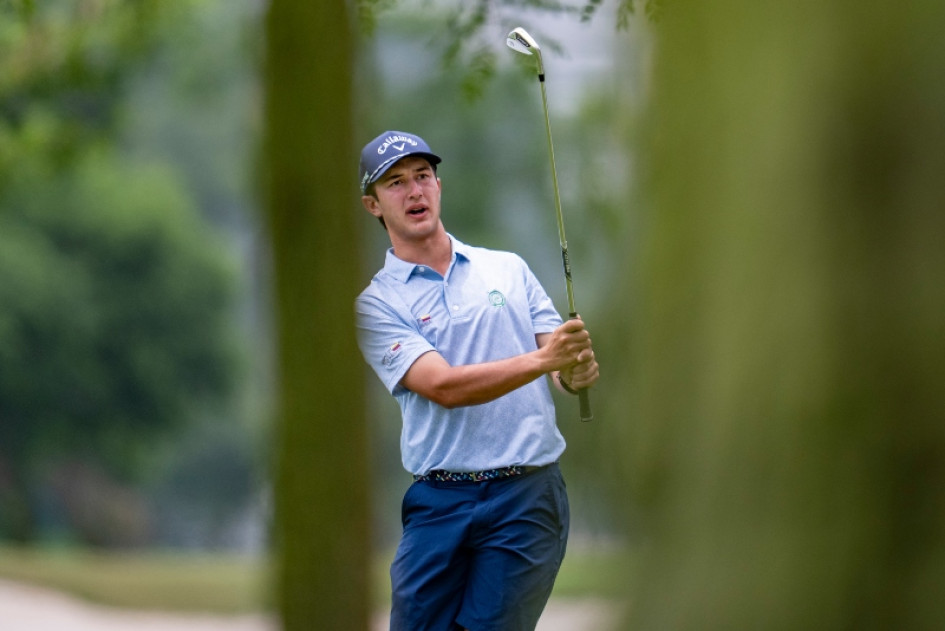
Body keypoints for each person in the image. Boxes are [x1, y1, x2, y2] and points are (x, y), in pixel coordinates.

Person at [354, 130, 599, 631]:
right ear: (373, 205)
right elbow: (443, 387)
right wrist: (546, 361)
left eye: (422, 176)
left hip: (525, 496)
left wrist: (574, 371)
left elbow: (560, 363)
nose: (414, 191)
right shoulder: (376, 306)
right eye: (395, 183)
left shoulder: (507, 269)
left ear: (439, 186)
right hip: (438, 502)